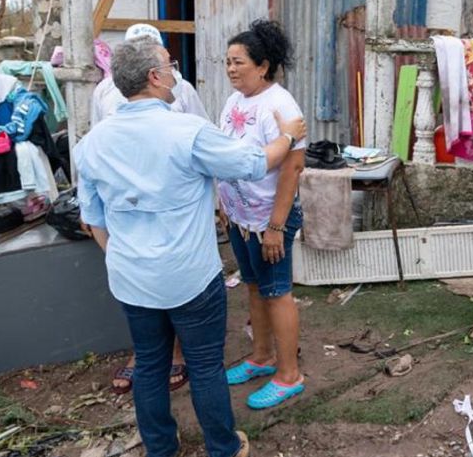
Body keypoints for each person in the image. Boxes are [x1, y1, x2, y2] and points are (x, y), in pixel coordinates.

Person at [75, 36, 306, 457]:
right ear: (154, 77)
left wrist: (126, 259)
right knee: (203, 366)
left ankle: (161, 447)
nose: (174, 72)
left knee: (149, 365)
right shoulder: (187, 130)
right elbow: (252, 163)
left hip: (131, 279)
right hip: (189, 277)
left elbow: (93, 220)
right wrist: (288, 137)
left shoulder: (92, 143)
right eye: (170, 64)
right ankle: (223, 447)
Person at [90, 23, 207, 396]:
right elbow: (95, 141)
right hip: (127, 204)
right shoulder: (104, 93)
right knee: (139, 287)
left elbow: (204, 138)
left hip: (171, 199)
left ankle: (176, 350)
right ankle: (146, 354)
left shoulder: (180, 88)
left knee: (172, 279)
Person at [217, 20, 308, 410]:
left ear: (263, 65)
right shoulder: (235, 100)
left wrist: (275, 226)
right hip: (241, 216)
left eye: (239, 62)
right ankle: (261, 356)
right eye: (228, 62)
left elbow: (292, 168)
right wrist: (225, 206)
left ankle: (289, 376)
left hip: (270, 219)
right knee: (254, 285)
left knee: (277, 292)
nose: (231, 69)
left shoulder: (281, 106)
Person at [91, 23, 208, 124]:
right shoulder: (104, 88)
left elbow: (202, 129)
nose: (143, 57)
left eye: (149, 50)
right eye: (137, 51)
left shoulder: (182, 87)